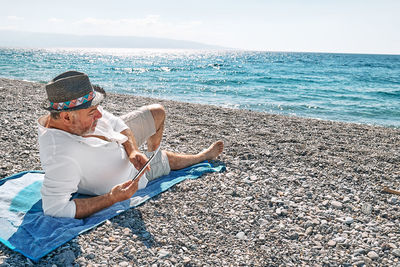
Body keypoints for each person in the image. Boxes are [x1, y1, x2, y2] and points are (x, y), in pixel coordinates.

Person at [38, 71, 224, 219]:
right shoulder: (61, 155)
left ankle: (152, 153)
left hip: (119, 144)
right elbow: (55, 208)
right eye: (93, 112)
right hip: (132, 175)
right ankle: (201, 157)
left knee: (157, 112)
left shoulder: (78, 114)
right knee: (162, 163)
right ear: (67, 117)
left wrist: (133, 150)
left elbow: (118, 124)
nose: (99, 115)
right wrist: (112, 198)